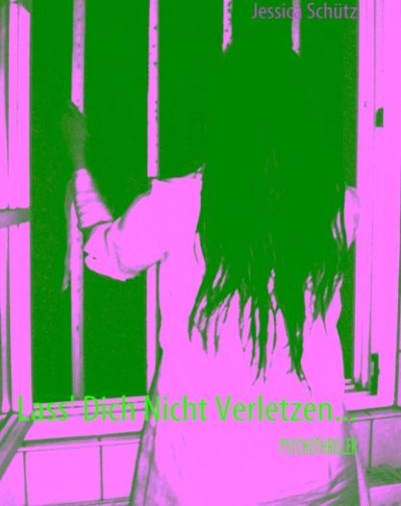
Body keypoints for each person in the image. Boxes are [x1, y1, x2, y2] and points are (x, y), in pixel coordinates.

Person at [63, 47, 370, 505]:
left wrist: (79, 161)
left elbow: (108, 255)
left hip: (208, 473)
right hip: (320, 466)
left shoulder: (176, 205)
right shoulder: (342, 205)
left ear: (221, 116)